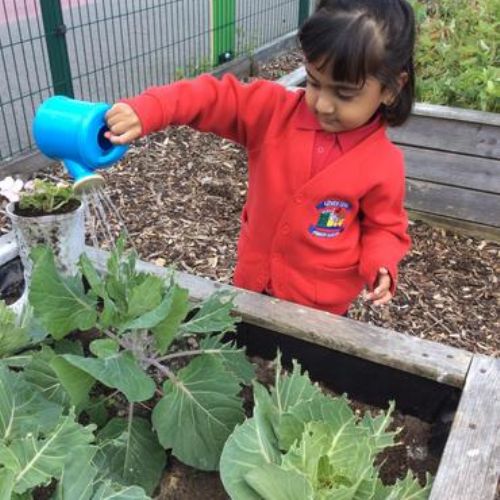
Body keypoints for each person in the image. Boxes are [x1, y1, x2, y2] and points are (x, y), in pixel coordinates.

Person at [104, 0, 415, 317]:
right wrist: (151, 109)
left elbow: (384, 228)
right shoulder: (271, 113)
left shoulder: (382, 163)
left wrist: (380, 264)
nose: (322, 104)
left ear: (392, 88)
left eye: (344, 94)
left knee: (303, 366)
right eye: (313, 81)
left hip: (322, 310)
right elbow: (212, 97)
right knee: (241, 358)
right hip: (252, 288)